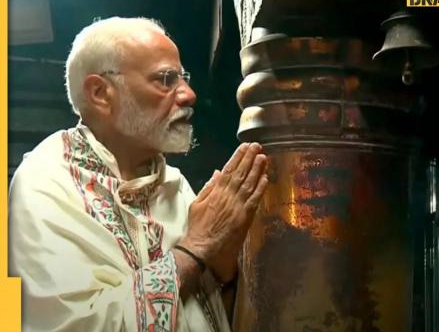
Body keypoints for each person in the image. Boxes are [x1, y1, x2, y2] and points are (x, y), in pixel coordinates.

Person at [9, 17, 268, 332]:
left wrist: (225, 270)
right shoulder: (44, 185)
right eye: (165, 79)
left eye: (183, 78)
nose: (188, 94)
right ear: (101, 93)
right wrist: (195, 248)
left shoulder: (176, 186)